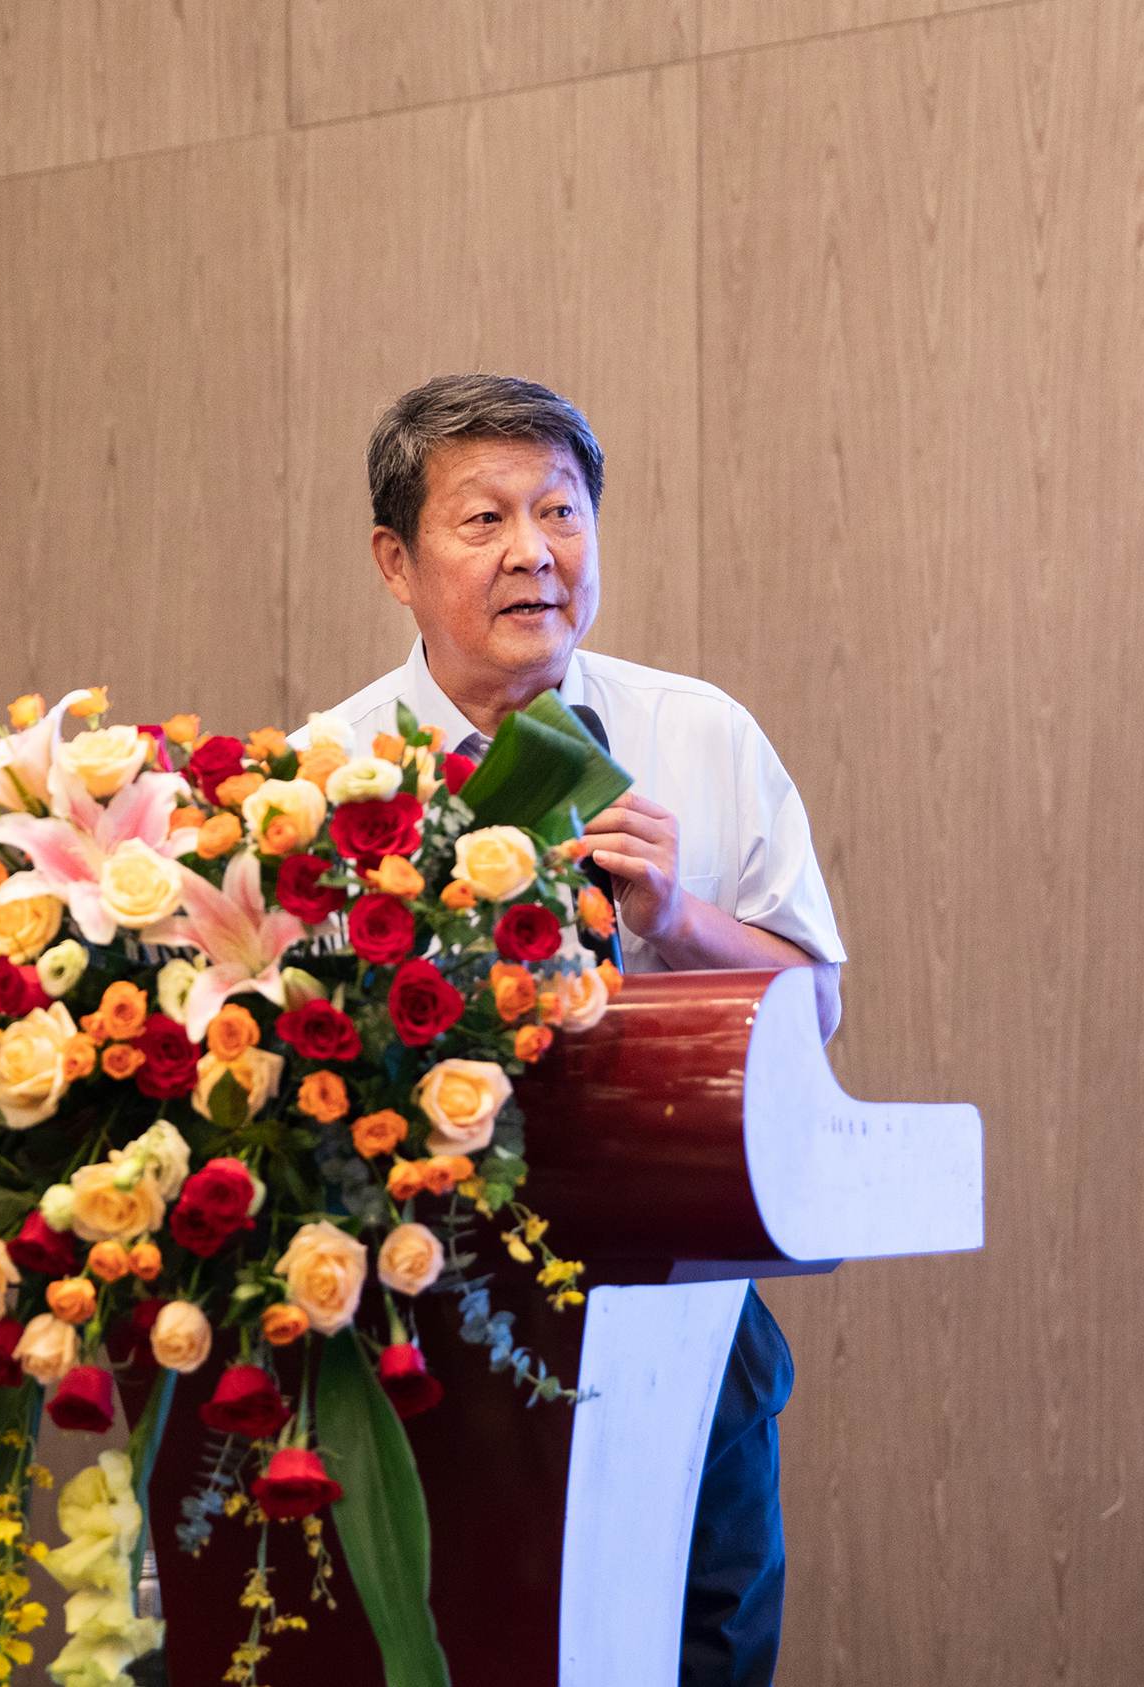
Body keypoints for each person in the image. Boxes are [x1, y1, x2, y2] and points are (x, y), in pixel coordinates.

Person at [311, 373, 844, 1687]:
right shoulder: (327, 774)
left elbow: (813, 1004)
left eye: (560, 511)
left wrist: (677, 916)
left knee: (701, 1641)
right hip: (428, 1308)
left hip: (682, 1297)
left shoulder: (694, 733)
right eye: (484, 518)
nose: (533, 552)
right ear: (396, 561)